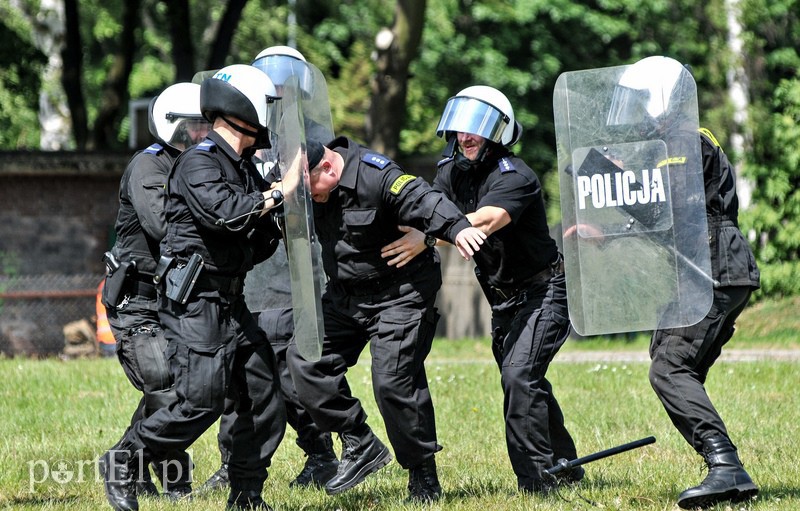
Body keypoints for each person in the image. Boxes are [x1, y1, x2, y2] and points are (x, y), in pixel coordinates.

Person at [99, 64, 288, 511]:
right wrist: (275, 197)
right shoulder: (194, 163)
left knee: (262, 395)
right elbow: (221, 215)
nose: (197, 131)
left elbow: (251, 236)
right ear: (245, 108)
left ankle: (246, 495)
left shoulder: (239, 167)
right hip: (192, 300)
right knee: (198, 400)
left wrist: (273, 218)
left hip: (231, 299)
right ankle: (125, 461)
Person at [392, 85, 583, 494]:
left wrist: (425, 238)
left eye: (475, 128)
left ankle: (536, 482)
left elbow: (487, 219)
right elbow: (426, 210)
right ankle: (566, 462)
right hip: (502, 300)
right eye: (460, 129)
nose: (466, 136)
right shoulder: (449, 173)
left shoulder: (517, 176)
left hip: (545, 291)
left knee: (519, 378)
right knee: (525, 380)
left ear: (498, 131)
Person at [285, 137, 486, 502]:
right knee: (305, 357)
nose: (308, 199)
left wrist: (457, 229)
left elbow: (424, 200)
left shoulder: (376, 175)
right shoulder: (311, 187)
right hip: (347, 296)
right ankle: (359, 441)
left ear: (327, 168)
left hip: (401, 294)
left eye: (309, 189)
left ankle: (423, 478)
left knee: (393, 381)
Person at [606, 56, 760, 509]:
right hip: (709, 265)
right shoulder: (675, 142)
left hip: (712, 265)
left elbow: (671, 208)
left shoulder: (683, 141)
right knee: (670, 360)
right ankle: (724, 467)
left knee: (670, 367)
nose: (633, 112)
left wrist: (620, 183)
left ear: (659, 98)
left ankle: (725, 466)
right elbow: (664, 216)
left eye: (640, 101)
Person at [201, 46, 339, 492]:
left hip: (301, 276)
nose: (278, 89)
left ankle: (320, 456)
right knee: (239, 380)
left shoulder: (316, 139)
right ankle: (233, 464)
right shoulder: (242, 143)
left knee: (295, 376)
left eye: (286, 80)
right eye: (269, 82)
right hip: (252, 278)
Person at [100, 82, 210, 500]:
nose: (205, 133)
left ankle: (135, 467)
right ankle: (170, 481)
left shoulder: (197, 165)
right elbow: (166, 227)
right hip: (138, 300)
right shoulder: (150, 168)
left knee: (184, 385)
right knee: (164, 383)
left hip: (173, 298)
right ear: (175, 126)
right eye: (197, 125)